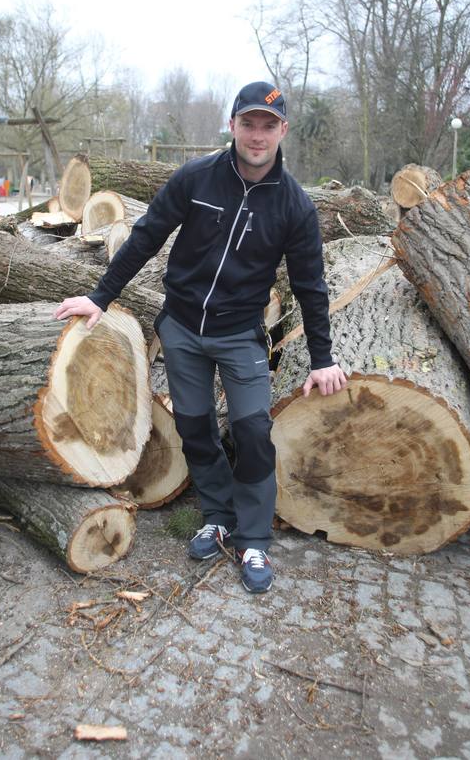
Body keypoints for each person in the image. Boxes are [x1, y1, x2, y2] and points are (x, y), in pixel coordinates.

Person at [53, 81, 347, 593]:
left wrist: (321, 356)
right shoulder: (196, 178)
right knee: (194, 426)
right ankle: (216, 513)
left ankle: (252, 538)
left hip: (240, 337)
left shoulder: (295, 206)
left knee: (253, 432)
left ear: (283, 130)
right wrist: (100, 297)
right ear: (232, 124)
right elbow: (146, 237)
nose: (257, 135)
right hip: (183, 330)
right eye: (248, 123)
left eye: (268, 125)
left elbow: (310, 286)